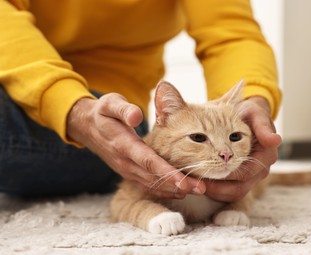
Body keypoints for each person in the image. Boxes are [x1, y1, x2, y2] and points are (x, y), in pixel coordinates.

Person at [0, 0, 282, 202]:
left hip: (111, 112)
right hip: (34, 87)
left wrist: (256, 101)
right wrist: (68, 106)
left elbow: (231, 34)